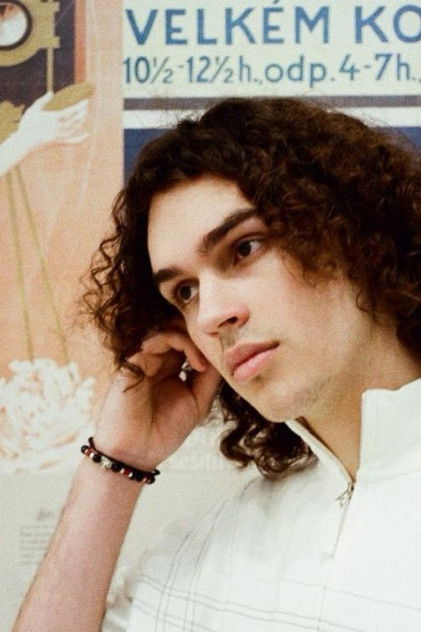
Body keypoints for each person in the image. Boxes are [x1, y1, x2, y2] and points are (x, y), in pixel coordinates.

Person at [13, 97, 421, 631]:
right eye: (185, 291)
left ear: (355, 234)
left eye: (244, 248)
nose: (210, 315)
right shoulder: (208, 552)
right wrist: (116, 462)